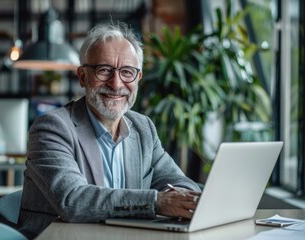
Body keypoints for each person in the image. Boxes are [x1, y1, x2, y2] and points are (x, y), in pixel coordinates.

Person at [18, 22, 201, 239]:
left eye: (127, 72)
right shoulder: (52, 128)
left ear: (138, 79)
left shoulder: (143, 128)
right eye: (104, 70)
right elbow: (73, 200)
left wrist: (190, 200)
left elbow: (179, 183)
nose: (116, 84)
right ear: (83, 76)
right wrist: (157, 202)